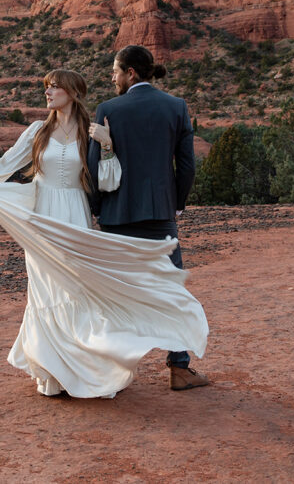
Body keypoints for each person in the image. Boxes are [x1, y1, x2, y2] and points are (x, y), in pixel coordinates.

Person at [0, 69, 208, 398]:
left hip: (74, 215)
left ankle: (85, 371)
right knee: (46, 292)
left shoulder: (89, 133)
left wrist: (105, 147)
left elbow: (107, 180)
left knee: (76, 291)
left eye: (54, 87)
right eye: (47, 88)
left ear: (72, 92)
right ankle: (53, 373)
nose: (48, 93)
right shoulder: (37, 131)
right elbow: (7, 163)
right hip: (43, 218)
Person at [86, 44, 210, 391]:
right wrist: (177, 203)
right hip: (159, 216)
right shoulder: (175, 107)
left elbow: (96, 165)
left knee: (116, 294)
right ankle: (179, 367)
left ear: (131, 73)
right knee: (169, 290)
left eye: (115, 72)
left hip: (116, 216)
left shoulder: (108, 109)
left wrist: (97, 207)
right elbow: (186, 165)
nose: (112, 78)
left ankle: (108, 371)